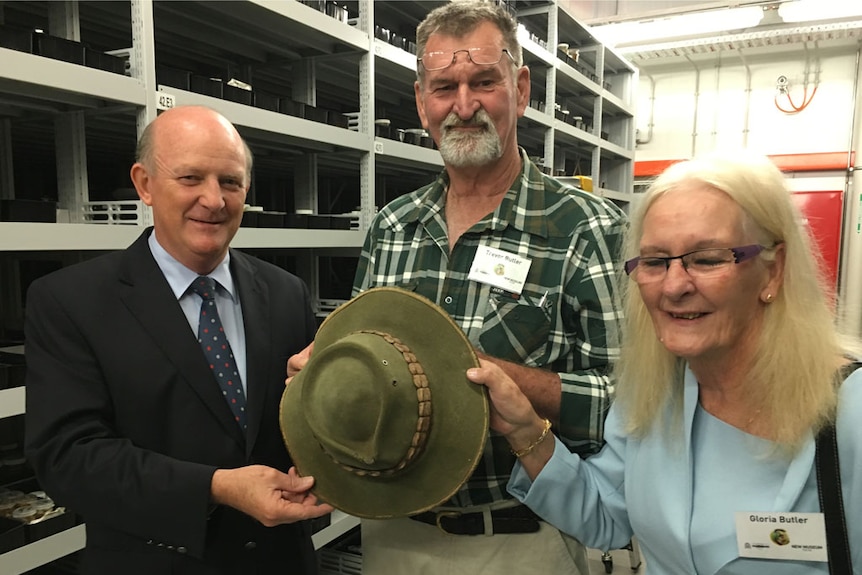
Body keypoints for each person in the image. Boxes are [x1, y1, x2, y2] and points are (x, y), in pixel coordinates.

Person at [289, 2, 626, 573]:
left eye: (484, 82)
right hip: (391, 535)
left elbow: (628, 408)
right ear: (421, 101)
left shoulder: (587, 230)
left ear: (520, 89)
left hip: (520, 540)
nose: (464, 106)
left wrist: (492, 378)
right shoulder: (392, 227)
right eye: (444, 87)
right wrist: (331, 375)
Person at [468, 151, 862, 573]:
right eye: (655, 262)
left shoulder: (848, 414)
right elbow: (605, 514)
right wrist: (526, 429)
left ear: (773, 270)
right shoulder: (656, 394)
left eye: (707, 259)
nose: (673, 286)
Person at [24, 105, 333, 575]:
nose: (214, 200)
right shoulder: (71, 302)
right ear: (144, 183)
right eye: (190, 178)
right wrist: (216, 487)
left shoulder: (285, 293)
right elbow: (68, 458)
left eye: (230, 182)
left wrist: (325, 401)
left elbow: (306, 429)